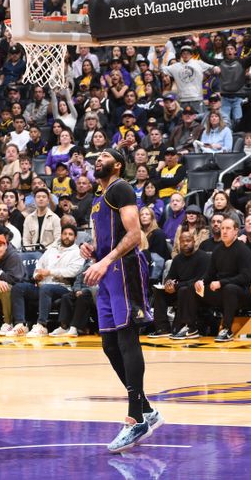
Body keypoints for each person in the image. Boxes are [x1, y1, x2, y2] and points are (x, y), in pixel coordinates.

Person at [80, 148, 163, 453]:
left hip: (123, 268)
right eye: (95, 155)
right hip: (106, 271)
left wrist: (107, 260)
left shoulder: (121, 188)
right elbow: (109, 237)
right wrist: (92, 251)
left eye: (103, 155)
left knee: (127, 340)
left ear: (117, 164)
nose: (96, 159)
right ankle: (147, 409)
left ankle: (135, 418)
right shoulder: (97, 199)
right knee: (109, 344)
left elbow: (134, 233)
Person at [7, 225, 84, 337]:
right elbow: (39, 265)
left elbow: (73, 271)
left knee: (46, 288)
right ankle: (20, 324)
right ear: (61, 235)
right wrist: (37, 275)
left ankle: (41, 326)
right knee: (18, 288)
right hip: (43, 286)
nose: (67, 236)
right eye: (65, 234)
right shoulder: (51, 250)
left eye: (70, 234)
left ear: (75, 237)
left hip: (63, 287)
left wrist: (49, 272)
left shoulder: (77, 252)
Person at [195, 217, 251, 342]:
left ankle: (227, 329)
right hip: (221, 290)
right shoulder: (218, 250)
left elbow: (245, 277)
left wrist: (221, 283)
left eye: (228, 228)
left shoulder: (243, 250)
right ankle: (190, 327)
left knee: (229, 288)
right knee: (191, 288)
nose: (224, 231)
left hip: (242, 292)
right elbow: (210, 273)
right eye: (222, 228)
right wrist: (201, 281)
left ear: (236, 231)